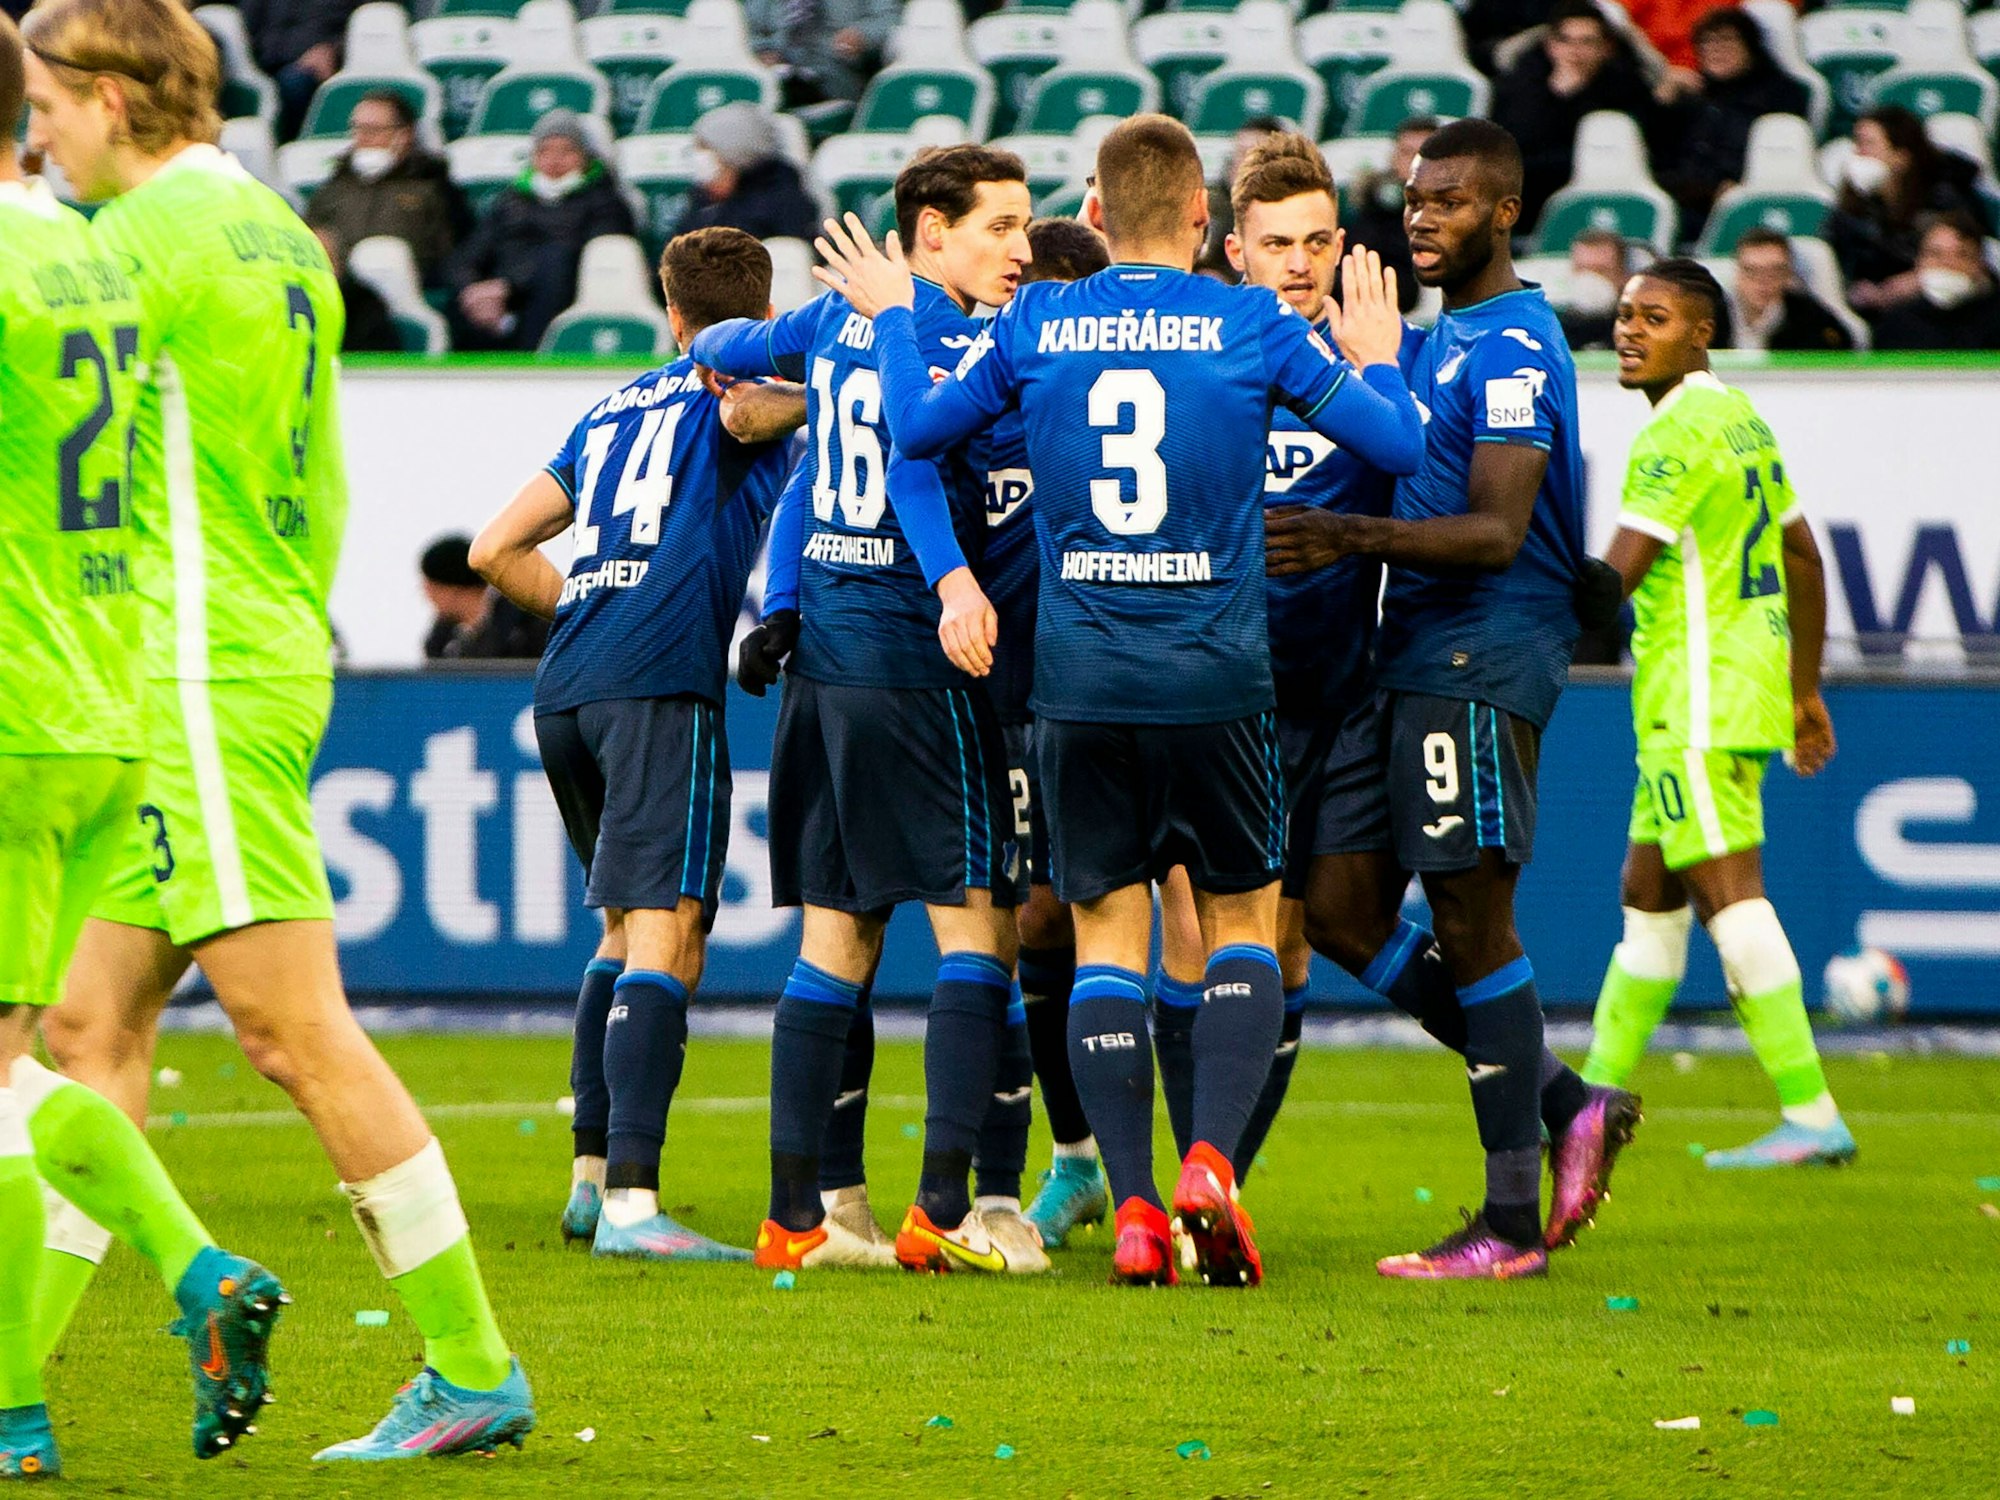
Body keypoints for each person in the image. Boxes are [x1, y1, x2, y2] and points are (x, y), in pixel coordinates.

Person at [21, 0, 533, 1462]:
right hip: (234, 649)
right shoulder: (269, 228)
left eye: (49, 101)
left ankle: (471, 1361)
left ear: (114, 97)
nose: (36, 130)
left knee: (289, 1033)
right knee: (85, 1032)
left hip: (187, 674)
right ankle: (15, 1385)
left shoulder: (125, 249)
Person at [810, 113, 1426, 1288]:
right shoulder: (1249, 319)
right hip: (1215, 678)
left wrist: (895, 319)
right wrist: (1378, 351)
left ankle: (1137, 1208)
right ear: (1204, 222)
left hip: (1080, 686)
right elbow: (1393, 445)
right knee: (1242, 925)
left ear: (1094, 211)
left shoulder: (1039, 317)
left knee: (1105, 937)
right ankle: (1207, 1167)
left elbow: (920, 430)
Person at [1261, 119, 1630, 1279]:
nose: (1422, 216)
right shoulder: (1431, 340)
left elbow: (1495, 529)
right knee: (1335, 907)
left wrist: (1339, 535)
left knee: (1473, 922)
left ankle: (1509, 1222)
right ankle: (1566, 1098)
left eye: (1452, 201)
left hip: (1479, 652)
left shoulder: (1514, 345)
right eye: (1416, 198)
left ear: (1505, 212)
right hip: (1408, 653)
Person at [1, 14, 285, 1476]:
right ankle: (28, 1403)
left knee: (27, 1066)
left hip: (10, 701)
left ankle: (161, 1293)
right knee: (53, 1052)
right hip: (97, 700)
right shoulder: (84, 255)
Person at [692, 146, 1037, 1276]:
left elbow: (723, 349)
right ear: (929, 233)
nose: (1018, 250)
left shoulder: (836, 320)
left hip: (823, 670)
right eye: (997, 227)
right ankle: (942, 1209)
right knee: (974, 924)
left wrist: (723, 366)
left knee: (834, 937)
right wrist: (951, 583)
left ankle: (797, 1220)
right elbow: (914, 461)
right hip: (907, 658)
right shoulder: (931, 334)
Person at [468, 228, 795, 1262]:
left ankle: (588, 1179)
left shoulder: (611, 405)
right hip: (657, 683)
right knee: (667, 930)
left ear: (668, 310)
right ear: (757, 309)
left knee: (621, 929)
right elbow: (758, 408)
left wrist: (597, 606)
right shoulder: (745, 386)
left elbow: (492, 549)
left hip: (568, 681)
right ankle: (633, 1204)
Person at [1581, 257, 1854, 1169]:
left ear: (1701, 332)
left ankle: (1812, 1112)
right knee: (1648, 894)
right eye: (1624, 314)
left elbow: (1611, 580)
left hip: (1694, 698)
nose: (1629, 330)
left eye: (1652, 318)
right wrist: (1802, 689)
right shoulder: (1741, 419)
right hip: (1731, 689)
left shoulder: (1674, 435)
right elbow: (1805, 554)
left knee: (1731, 898)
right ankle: (1590, 1105)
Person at [972, 217, 1115, 1254]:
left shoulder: (1111, 392)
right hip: (1016, 697)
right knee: (1039, 924)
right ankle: (1077, 1158)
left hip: (1122, 691)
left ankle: (1197, 1175)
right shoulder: (983, 404)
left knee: (1179, 923)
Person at [447, 108, 638, 353]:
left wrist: (510, 286)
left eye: (566, 151)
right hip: (499, 302)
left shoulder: (605, 202)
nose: (554, 160)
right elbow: (467, 256)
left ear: (585, 156)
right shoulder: (510, 201)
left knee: (555, 260)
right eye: (544, 151)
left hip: (560, 299)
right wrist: (475, 290)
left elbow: (583, 258)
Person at [1490, 0, 1658, 228]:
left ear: (1607, 47)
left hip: (1607, 188)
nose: (1575, 51)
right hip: (1535, 193)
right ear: (1551, 45)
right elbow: (1520, 145)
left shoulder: (1628, 87)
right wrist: (1559, 96)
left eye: (1587, 42)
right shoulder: (1522, 84)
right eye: (1566, 41)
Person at [1656, 9, 1810, 239]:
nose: (1716, 48)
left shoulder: (1781, 94)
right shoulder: (1690, 98)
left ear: (1750, 45)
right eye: (1707, 41)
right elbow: (1657, 157)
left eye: (1727, 39)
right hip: (1686, 199)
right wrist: (1662, 101)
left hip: (1748, 199)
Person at [1827, 106, 1984, 319]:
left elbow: (1967, 257)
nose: (1859, 153)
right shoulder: (1855, 205)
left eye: (1869, 144)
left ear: (1901, 157)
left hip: (1939, 305)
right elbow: (1840, 255)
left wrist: (1916, 280)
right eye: (1858, 143)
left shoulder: (1943, 201)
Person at [304, 89, 470, 291]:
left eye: (373, 130)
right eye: (357, 129)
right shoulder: (333, 189)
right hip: (342, 294)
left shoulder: (436, 189)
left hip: (412, 292)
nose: (362, 139)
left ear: (404, 134)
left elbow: (454, 254)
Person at [670, 101, 818, 245]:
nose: (699, 157)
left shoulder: (784, 202)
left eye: (705, 148)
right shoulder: (702, 200)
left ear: (734, 154)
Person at [1340, 116, 1434, 314]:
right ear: (1393, 157)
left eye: (1423, 155)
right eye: (1406, 153)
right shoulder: (1375, 203)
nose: (1414, 164)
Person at [1872, 211, 2000, 352]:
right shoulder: (1895, 325)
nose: (1948, 263)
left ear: (1978, 265)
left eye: (1962, 255)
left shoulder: (1995, 321)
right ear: (1919, 262)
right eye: (1935, 254)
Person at [745, 0, 898, 108]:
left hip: (835, 65)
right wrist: (763, 50)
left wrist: (863, 34)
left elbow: (890, 17)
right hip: (780, 64)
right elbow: (748, 26)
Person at [419, 534, 548, 660]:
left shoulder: (526, 624)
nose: (427, 596)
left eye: (431, 589)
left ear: (452, 591)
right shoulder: (443, 639)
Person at [238, 0, 351, 141]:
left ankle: (291, 146)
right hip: (263, 61)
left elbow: (368, 18)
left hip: (314, 66)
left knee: (294, 83)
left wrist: (334, 50)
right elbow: (245, 26)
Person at [1729, 228, 1853, 352]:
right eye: (1751, 271)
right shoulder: (1717, 313)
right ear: (1737, 274)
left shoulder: (1810, 319)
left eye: (1774, 272)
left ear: (1788, 275)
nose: (1763, 281)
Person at [1197, 115, 1283, 278]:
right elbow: (1202, 257)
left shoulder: (1293, 212)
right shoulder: (1213, 205)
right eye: (1238, 153)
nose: (1241, 163)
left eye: (1252, 154)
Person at [313, 226, 400, 354]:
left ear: (339, 264)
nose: (316, 270)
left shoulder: (364, 306)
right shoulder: (287, 301)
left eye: (324, 259)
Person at [1557, 225, 1630, 349]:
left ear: (1623, 276)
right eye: (1582, 270)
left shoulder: (1634, 332)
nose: (1590, 280)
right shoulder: (1555, 332)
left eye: (1601, 271)